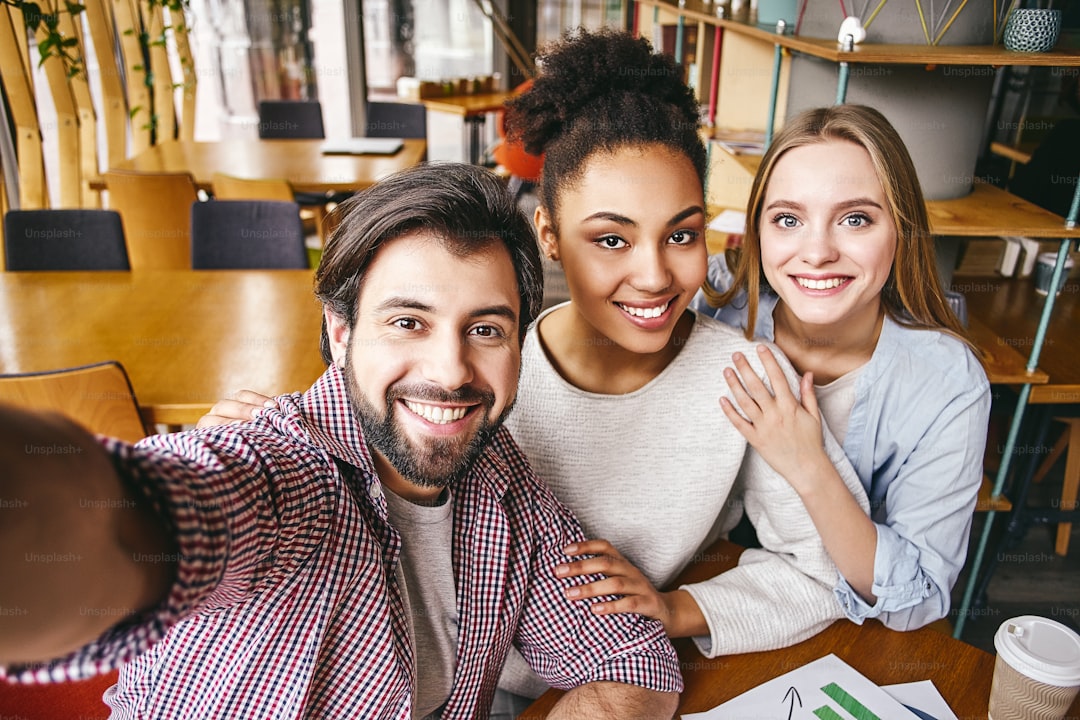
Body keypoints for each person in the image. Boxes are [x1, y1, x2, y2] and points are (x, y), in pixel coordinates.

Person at [200, 28, 871, 713]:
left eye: (682, 234)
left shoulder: (747, 380)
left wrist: (677, 608)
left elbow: (826, 574)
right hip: (463, 687)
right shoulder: (479, 380)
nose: (654, 275)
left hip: (623, 668)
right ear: (548, 233)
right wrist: (277, 438)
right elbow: (359, 436)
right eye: (611, 238)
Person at [0, 162, 683, 719]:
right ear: (340, 332)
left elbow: (632, 661)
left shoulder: (499, 478)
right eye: (408, 322)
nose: (450, 372)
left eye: (485, 329)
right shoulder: (280, 471)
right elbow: (135, 522)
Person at [693, 103, 991, 631]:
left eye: (855, 219)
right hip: (706, 586)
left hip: (841, 627)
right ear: (758, 230)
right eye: (788, 219)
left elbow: (914, 601)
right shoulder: (715, 300)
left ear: (900, 229)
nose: (817, 252)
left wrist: (808, 463)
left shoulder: (949, 384)